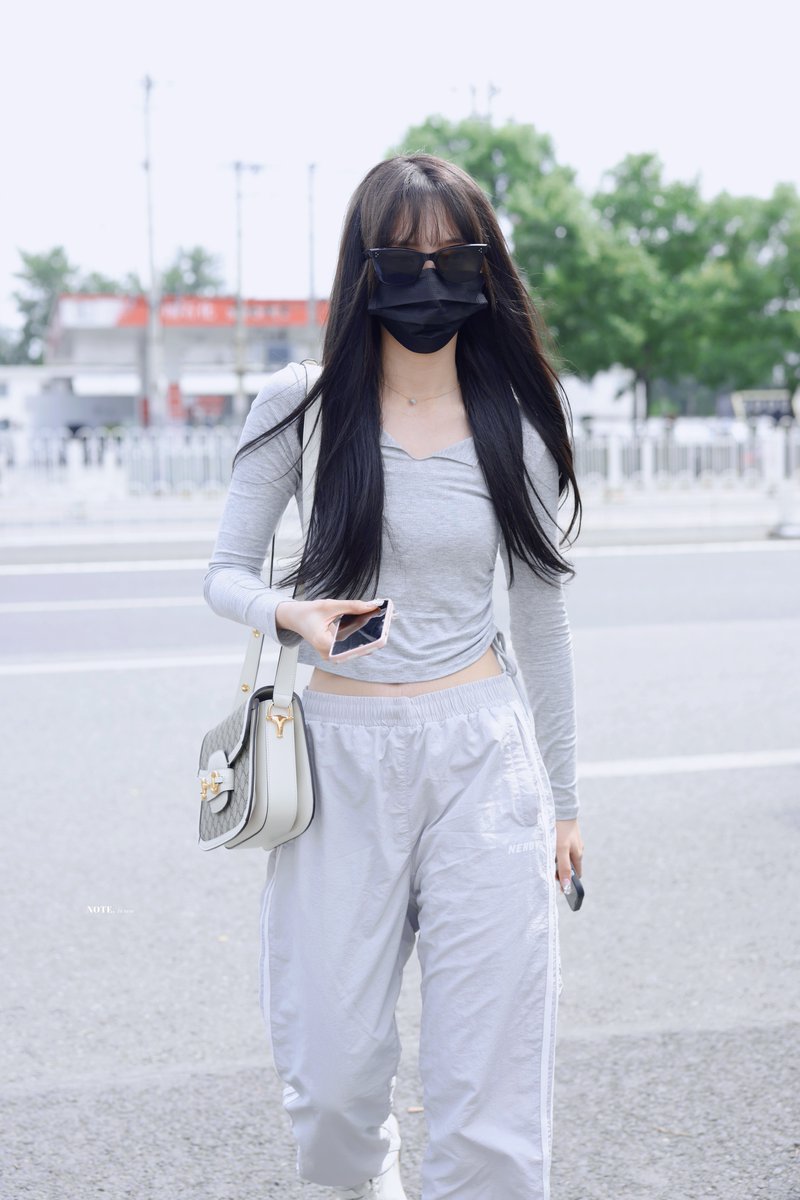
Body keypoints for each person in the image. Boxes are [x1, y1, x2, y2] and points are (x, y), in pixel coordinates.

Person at [203, 152, 584, 1200]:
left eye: (451, 256)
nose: (427, 279)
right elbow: (224, 573)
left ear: (484, 270)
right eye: (401, 256)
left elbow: (542, 621)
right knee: (330, 1085)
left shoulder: (518, 418)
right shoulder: (301, 406)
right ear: (362, 268)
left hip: (482, 761)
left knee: (491, 1093)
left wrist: (563, 800)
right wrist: (287, 612)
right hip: (337, 763)